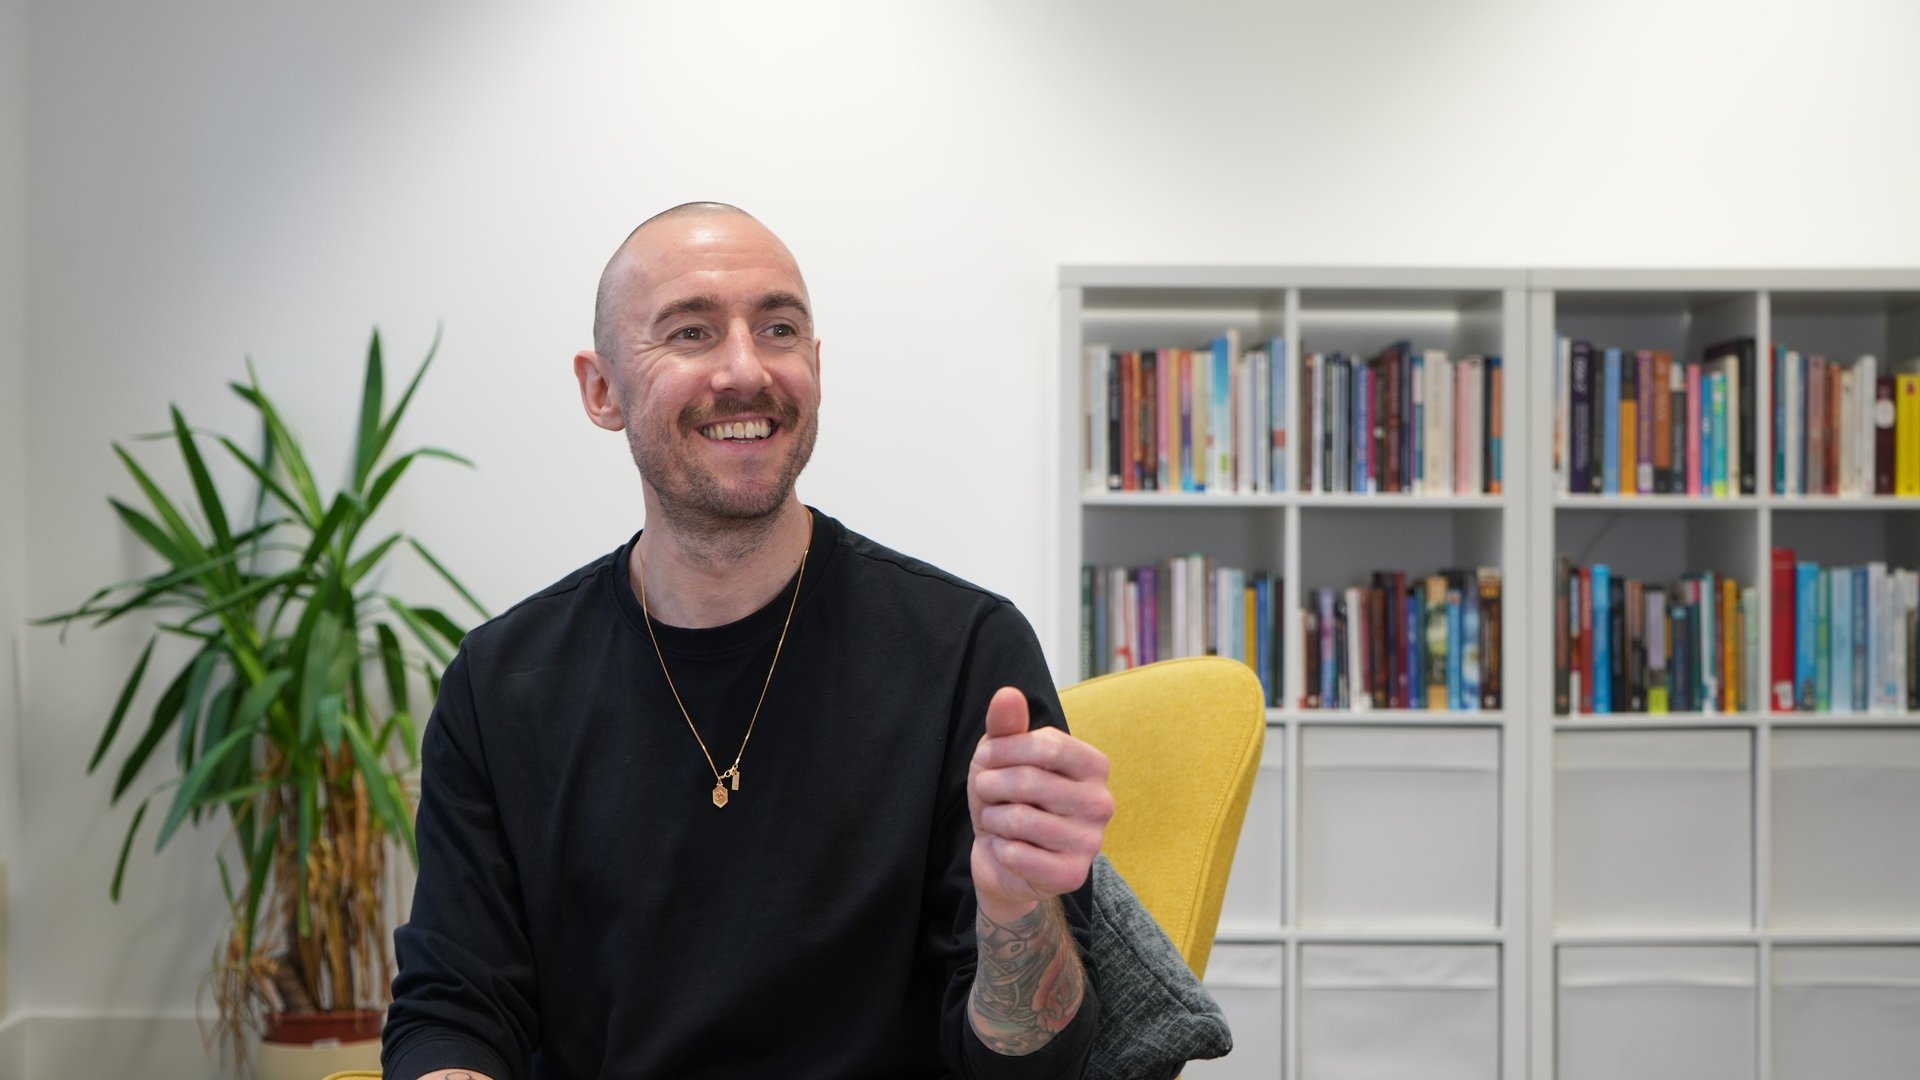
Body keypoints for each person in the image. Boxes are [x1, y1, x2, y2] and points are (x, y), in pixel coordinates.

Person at [382, 202, 1114, 1080]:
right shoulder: (502, 686)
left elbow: (1035, 1068)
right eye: (691, 332)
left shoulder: (965, 654)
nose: (745, 369)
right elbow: (455, 1012)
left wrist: (1016, 920)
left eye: (779, 329)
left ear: (814, 365)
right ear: (601, 389)